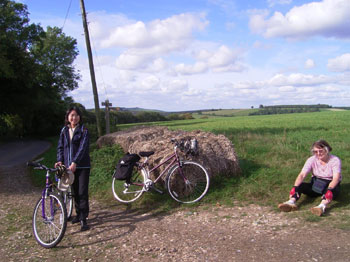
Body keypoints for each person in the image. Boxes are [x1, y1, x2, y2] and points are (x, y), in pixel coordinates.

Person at [278, 140, 341, 216]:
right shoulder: (311, 160)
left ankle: (321, 207)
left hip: (330, 183)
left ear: (327, 150)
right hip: (316, 183)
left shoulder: (335, 160)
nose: (318, 154)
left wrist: (329, 190)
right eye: (315, 152)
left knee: (331, 191)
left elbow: (336, 178)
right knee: (300, 185)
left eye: (320, 151)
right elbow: (302, 175)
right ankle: (291, 202)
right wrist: (295, 187)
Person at [55, 106, 91, 231]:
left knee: (82, 192)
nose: (74, 117)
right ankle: (77, 214)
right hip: (68, 167)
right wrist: (60, 160)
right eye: (71, 115)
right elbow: (60, 147)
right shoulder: (64, 130)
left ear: (79, 117)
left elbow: (83, 148)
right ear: (68, 117)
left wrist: (75, 162)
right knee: (74, 191)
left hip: (82, 166)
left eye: (76, 115)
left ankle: (83, 218)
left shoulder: (84, 130)